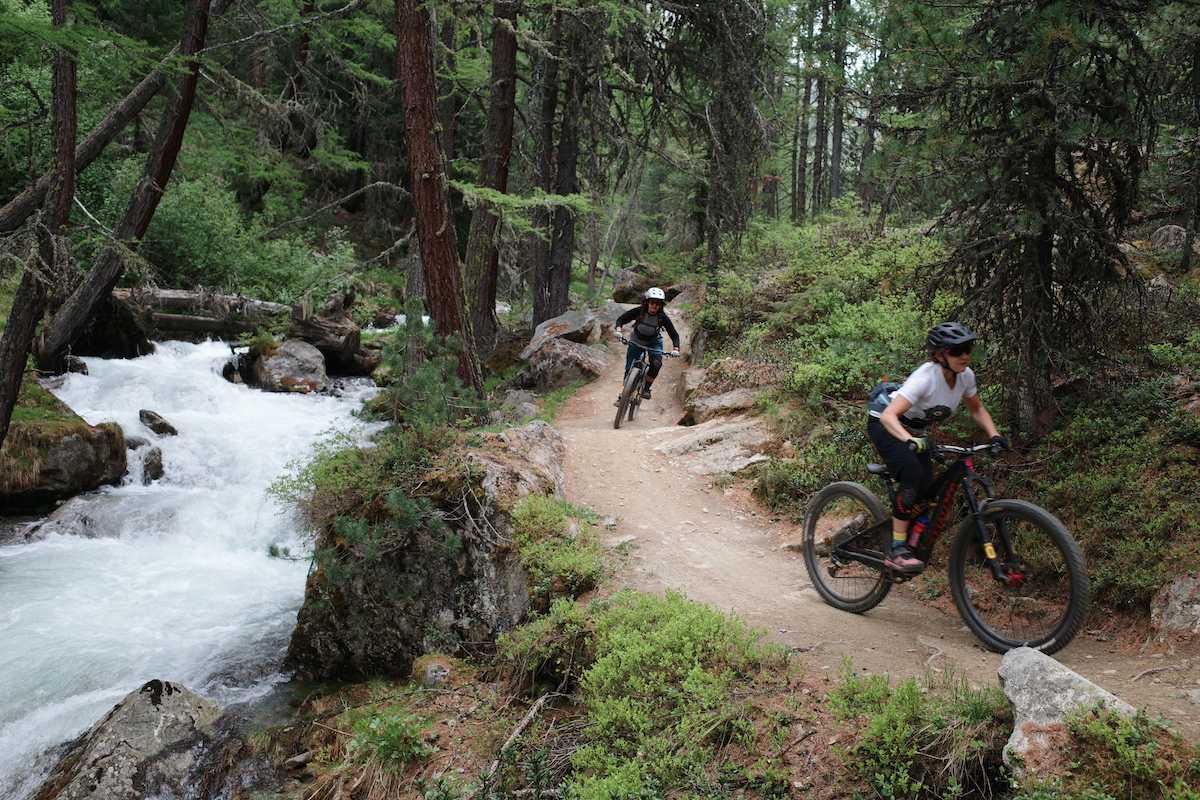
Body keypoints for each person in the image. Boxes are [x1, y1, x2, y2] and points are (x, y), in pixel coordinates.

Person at [866, 322, 1010, 572]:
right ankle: (897, 551)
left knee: (926, 492)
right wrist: (910, 440)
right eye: (956, 351)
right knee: (913, 475)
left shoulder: (966, 376)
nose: (964, 355)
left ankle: (906, 540)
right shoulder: (925, 378)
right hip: (885, 423)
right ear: (938, 355)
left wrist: (995, 435)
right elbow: (890, 416)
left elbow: (976, 409)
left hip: (915, 430)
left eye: (967, 349)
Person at [613, 287, 681, 402]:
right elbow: (621, 319)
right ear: (647, 302)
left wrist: (676, 349)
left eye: (658, 303)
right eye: (653, 302)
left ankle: (646, 389)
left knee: (656, 363)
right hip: (636, 340)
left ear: (661, 305)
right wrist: (619, 331)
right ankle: (623, 394)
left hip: (654, 342)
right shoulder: (639, 311)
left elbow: (674, 335)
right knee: (630, 367)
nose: (655, 306)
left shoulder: (662, 317)